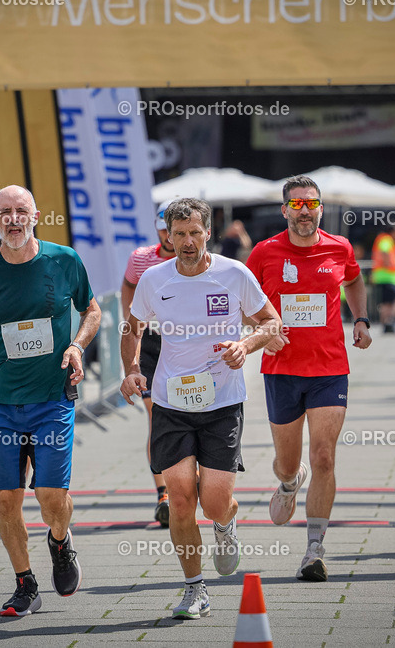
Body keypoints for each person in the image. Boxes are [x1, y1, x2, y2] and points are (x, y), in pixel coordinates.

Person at [120, 198, 280, 620]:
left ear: (208, 231)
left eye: (194, 232)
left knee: (212, 502)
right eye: (179, 234)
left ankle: (225, 525)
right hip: (172, 401)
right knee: (179, 498)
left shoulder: (234, 273)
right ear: (167, 237)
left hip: (222, 401)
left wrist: (245, 346)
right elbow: (132, 328)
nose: (187, 242)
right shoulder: (154, 279)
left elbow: (272, 322)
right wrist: (132, 368)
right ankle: (194, 589)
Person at [0, 185, 100, 618]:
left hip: (52, 399)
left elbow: (92, 310)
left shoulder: (64, 260)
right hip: (2, 402)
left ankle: (59, 540)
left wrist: (76, 346)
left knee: (51, 497)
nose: (13, 219)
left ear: (35, 216)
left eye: (21, 211)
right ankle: (25, 583)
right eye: (5, 212)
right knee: (6, 500)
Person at [245, 175, 372, 582]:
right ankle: (288, 482)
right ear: (284, 210)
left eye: (311, 204)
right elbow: (242, 301)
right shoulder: (264, 253)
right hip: (281, 371)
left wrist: (362, 319)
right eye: (296, 205)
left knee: (323, 456)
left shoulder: (340, 247)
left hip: (329, 368)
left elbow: (352, 279)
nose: (304, 211)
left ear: (321, 208)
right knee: (288, 463)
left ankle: (314, 549)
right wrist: (263, 334)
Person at [120, 199, 177, 527]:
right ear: (158, 228)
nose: (170, 235)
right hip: (151, 343)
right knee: (157, 415)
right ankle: (163, 494)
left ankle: (188, 477)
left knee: (186, 411)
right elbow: (128, 286)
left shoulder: (193, 257)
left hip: (184, 341)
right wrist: (132, 322)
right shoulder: (141, 258)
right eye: (164, 227)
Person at [371, 225, 395, 333]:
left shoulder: (382, 238)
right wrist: (388, 263)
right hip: (387, 276)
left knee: (386, 303)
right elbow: (384, 252)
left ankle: (386, 324)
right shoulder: (386, 239)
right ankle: (388, 321)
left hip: (383, 276)